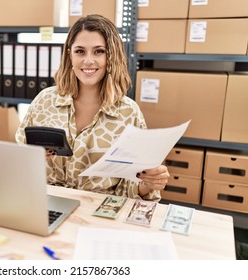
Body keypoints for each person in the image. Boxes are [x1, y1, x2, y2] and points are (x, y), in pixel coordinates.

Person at [15, 14, 169, 201]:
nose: (88, 60)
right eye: (80, 51)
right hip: (45, 203)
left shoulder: (128, 113)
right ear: (69, 55)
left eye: (98, 51)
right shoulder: (44, 101)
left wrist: (149, 183)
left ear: (111, 56)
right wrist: (31, 160)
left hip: (97, 210)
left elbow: (131, 186)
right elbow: (19, 162)